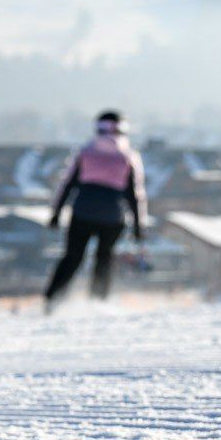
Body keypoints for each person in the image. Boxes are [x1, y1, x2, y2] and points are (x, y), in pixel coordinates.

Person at [46, 109, 146, 307]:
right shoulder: (128, 157)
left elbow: (67, 185)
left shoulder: (85, 153)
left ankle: (52, 300)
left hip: (83, 212)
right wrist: (138, 226)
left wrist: (56, 213)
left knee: (73, 257)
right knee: (104, 258)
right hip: (113, 216)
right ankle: (98, 301)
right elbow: (135, 196)